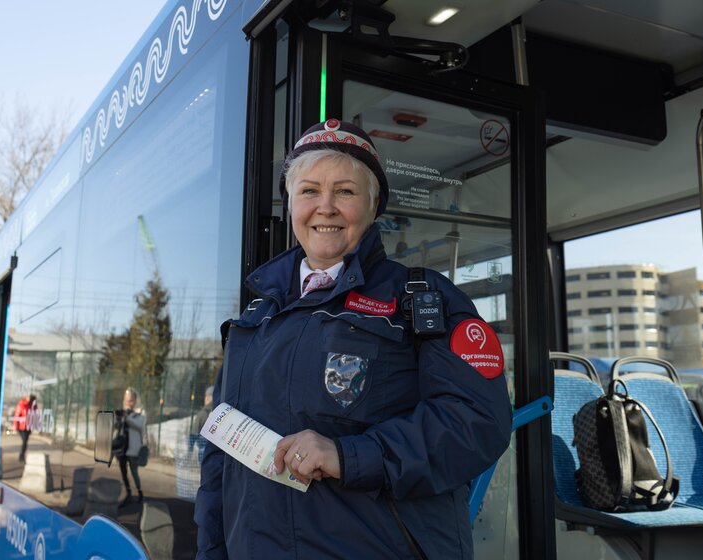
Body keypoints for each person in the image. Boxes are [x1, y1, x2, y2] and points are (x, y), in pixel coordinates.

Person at [195, 119, 512, 559]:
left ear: (373, 203)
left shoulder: (422, 299)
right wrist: (210, 551)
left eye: (345, 191)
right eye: (308, 191)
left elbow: (477, 423)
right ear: (290, 204)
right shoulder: (255, 319)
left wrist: (349, 456)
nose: (325, 207)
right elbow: (219, 456)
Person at [116, 387, 147, 507]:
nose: (129, 403)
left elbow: (139, 425)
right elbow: (116, 428)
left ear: (136, 400)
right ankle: (128, 493)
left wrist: (127, 417)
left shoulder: (140, 412)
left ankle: (140, 493)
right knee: (123, 472)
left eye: (131, 400)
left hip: (133, 449)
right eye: (127, 400)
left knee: (134, 472)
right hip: (122, 448)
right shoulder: (124, 412)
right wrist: (119, 419)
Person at [189, 385, 214, 460]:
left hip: (204, 451)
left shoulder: (202, 414)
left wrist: (190, 448)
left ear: (208, 397)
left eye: (207, 396)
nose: (205, 398)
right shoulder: (221, 412)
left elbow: (194, 432)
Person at [13, 394, 37, 463]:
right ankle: (21, 456)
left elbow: (35, 415)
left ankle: (22, 455)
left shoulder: (33, 406)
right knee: (24, 441)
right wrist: (15, 427)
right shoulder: (21, 405)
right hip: (22, 427)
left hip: (28, 427)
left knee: (25, 441)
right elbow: (17, 416)